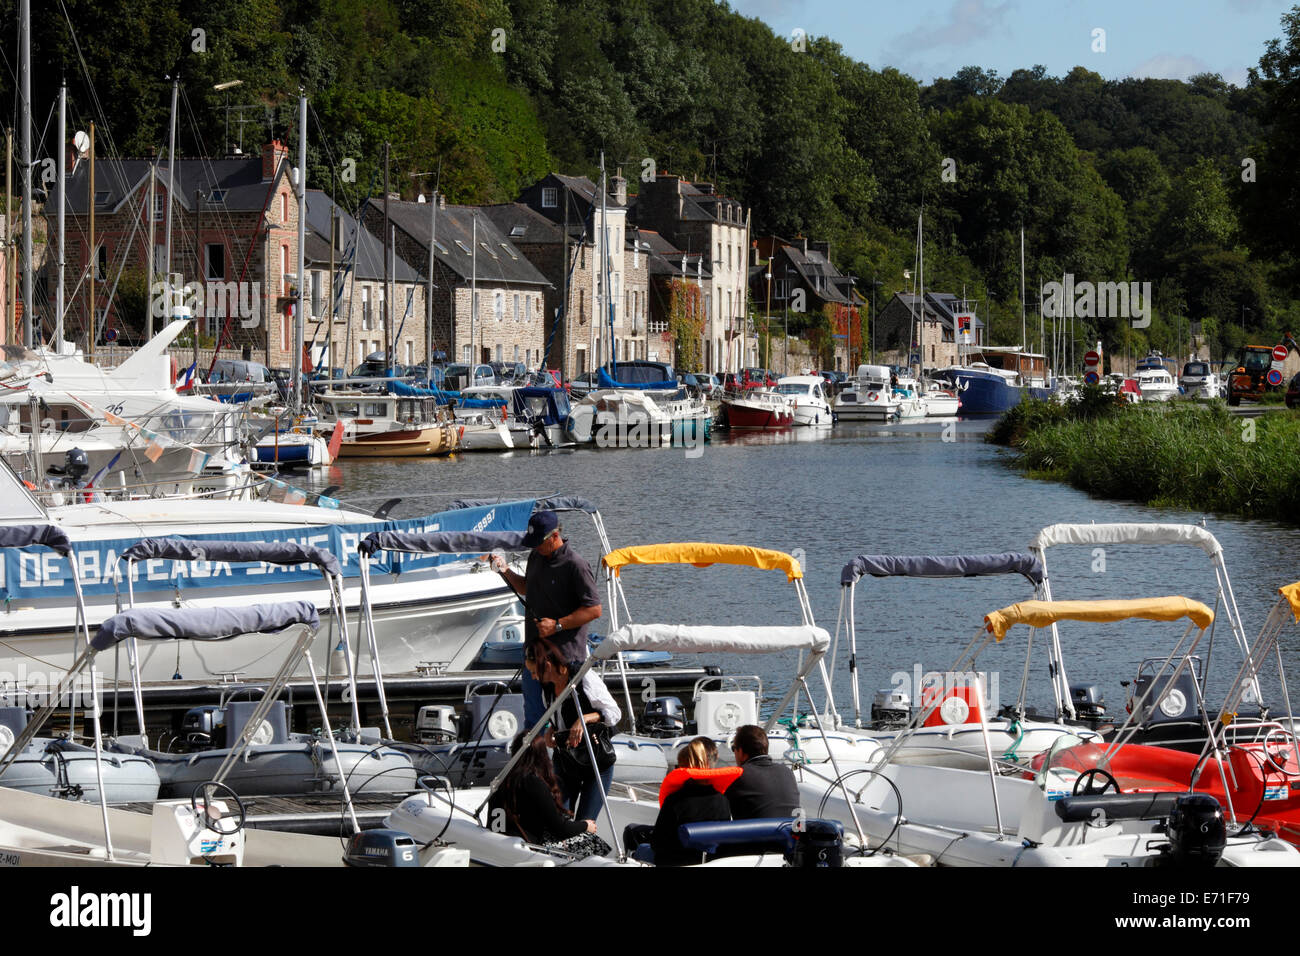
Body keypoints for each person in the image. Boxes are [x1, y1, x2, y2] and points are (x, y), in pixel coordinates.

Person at [491, 510, 602, 727]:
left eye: (539, 542)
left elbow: (594, 610)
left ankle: (565, 759)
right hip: (534, 656)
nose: (536, 547)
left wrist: (558, 625)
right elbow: (526, 587)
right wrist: (505, 570)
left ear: (554, 536)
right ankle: (537, 759)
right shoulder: (536, 556)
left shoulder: (575, 564)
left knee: (566, 719)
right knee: (534, 719)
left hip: (564, 660)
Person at [528, 641, 621, 823]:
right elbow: (556, 718)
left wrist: (585, 719)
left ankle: (583, 851)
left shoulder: (583, 679)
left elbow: (615, 713)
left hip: (595, 763)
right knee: (557, 818)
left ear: (547, 666)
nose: (532, 677)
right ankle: (557, 852)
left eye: (533, 671)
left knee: (584, 824)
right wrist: (550, 730)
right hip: (565, 761)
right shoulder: (547, 689)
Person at [487, 732, 596, 844]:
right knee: (593, 843)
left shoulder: (501, 779)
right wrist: (586, 825)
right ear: (542, 755)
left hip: (497, 841)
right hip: (525, 846)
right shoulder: (533, 783)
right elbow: (560, 829)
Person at [649, 737, 741, 866]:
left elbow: (657, 844)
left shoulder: (675, 800)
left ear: (683, 769)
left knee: (638, 844)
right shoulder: (722, 800)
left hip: (678, 862)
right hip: (709, 861)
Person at [725, 725, 801, 820]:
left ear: (740, 751)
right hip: (790, 832)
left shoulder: (738, 776)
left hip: (757, 834)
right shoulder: (787, 772)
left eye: (733, 749)